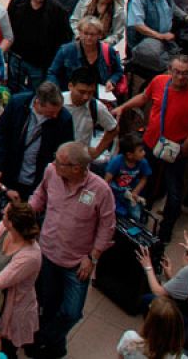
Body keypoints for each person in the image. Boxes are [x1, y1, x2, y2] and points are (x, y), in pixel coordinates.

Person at [30, 142, 114, 358]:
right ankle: (54, 348)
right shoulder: (51, 172)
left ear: (76, 168)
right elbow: (40, 195)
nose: (54, 163)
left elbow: (107, 227)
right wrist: (25, 213)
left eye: (59, 161)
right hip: (48, 253)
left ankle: (43, 338)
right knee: (48, 304)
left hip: (77, 263)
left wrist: (93, 257)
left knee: (72, 312)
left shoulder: (100, 190)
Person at [114, 55, 188, 243]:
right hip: (150, 144)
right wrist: (123, 107)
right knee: (144, 184)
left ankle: (165, 233)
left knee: (174, 194)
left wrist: (184, 148)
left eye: (185, 73)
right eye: (176, 72)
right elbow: (144, 97)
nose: (180, 77)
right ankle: (137, 223)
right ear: (169, 70)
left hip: (175, 150)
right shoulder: (159, 82)